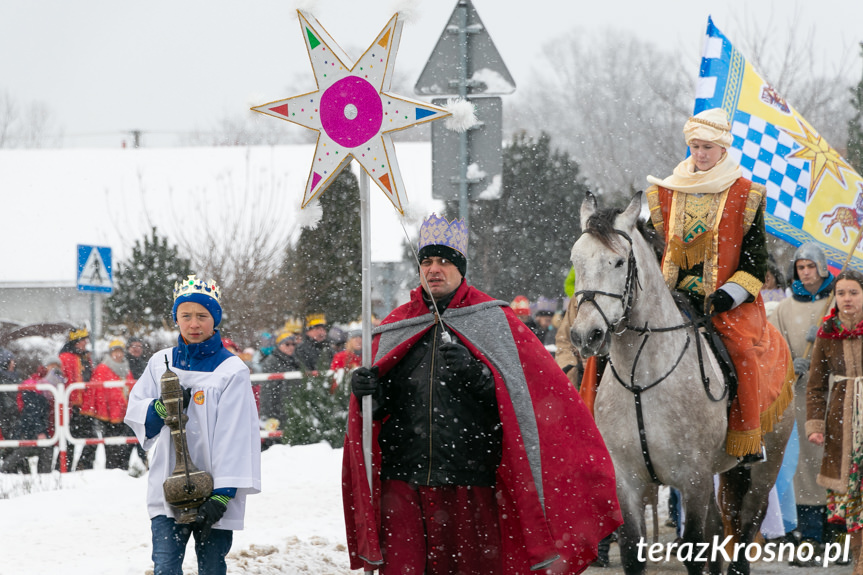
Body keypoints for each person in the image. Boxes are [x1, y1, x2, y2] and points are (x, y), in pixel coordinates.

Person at [342, 213, 621, 574]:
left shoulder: (495, 322)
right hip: (405, 484)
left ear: (461, 269)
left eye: (444, 261)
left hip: (470, 484)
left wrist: (478, 376)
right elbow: (379, 414)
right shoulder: (397, 325)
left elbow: (525, 403)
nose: (434, 269)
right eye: (426, 261)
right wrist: (369, 395)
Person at [646, 108, 793, 462]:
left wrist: (732, 293)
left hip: (726, 302)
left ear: (723, 149)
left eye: (707, 147)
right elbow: (649, 247)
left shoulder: (747, 193)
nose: (700, 154)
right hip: (670, 299)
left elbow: (755, 263)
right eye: (695, 146)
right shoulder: (664, 192)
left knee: (743, 351)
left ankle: (746, 436)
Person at [124, 275, 261, 575]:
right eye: (186, 316)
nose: (194, 323)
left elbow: (236, 435)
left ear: (215, 319)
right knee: (165, 567)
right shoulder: (161, 362)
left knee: (212, 567)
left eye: (202, 315)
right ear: (176, 319)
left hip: (214, 493)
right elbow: (136, 409)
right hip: (168, 487)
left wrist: (223, 494)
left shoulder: (231, 370)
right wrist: (161, 408)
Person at [769, 243, 836, 557]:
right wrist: (790, 364)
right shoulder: (784, 308)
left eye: (811, 266)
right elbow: (773, 349)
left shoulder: (839, 302)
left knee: (834, 461)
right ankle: (807, 533)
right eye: (801, 267)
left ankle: (836, 532)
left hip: (835, 395)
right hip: (799, 397)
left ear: (823, 268)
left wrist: (827, 336)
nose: (806, 272)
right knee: (803, 467)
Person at [806, 269, 863, 573]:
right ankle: (859, 560)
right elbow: (816, 386)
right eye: (841, 293)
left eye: (853, 292)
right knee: (852, 499)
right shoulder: (827, 333)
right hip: (841, 427)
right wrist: (815, 425)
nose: (847, 299)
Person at [0, 356, 59, 474]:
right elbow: (32, 414)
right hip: (27, 428)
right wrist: (40, 431)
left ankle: (8, 472)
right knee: (35, 449)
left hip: (24, 427)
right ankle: (43, 478)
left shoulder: (36, 386)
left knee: (21, 451)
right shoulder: (36, 390)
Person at [83, 339, 134, 470]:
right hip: (108, 413)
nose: (118, 355)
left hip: (124, 412)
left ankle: (122, 469)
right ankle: (112, 470)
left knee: (123, 445)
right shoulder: (102, 368)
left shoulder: (126, 368)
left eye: (120, 352)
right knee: (111, 445)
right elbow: (99, 392)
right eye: (115, 352)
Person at [58, 326, 96, 471]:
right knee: (69, 441)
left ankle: (83, 468)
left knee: (91, 439)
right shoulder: (65, 357)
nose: (86, 342)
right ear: (76, 342)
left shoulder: (85, 357)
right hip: (72, 407)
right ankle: (63, 470)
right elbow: (59, 377)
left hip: (84, 407)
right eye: (83, 340)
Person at [259, 330, 303, 436]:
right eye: (287, 344)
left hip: (292, 408)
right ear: (279, 345)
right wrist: (268, 415)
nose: (291, 347)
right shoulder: (272, 362)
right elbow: (267, 391)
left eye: (293, 344)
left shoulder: (296, 361)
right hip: (278, 411)